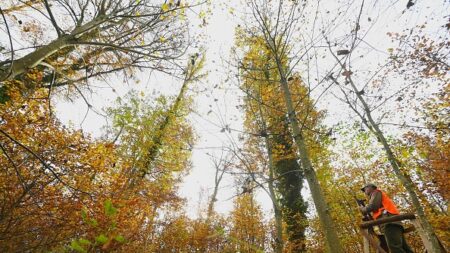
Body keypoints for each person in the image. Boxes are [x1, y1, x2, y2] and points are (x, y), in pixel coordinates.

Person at [360, 183, 414, 253]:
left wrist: (363, 209)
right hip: (393, 221)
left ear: (372, 187)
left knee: (394, 247)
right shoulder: (376, 195)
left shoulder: (376, 192)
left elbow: (373, 206)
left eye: (365, 188)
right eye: (364, 190)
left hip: (389, 222)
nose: (365, 191)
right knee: (404, 248)